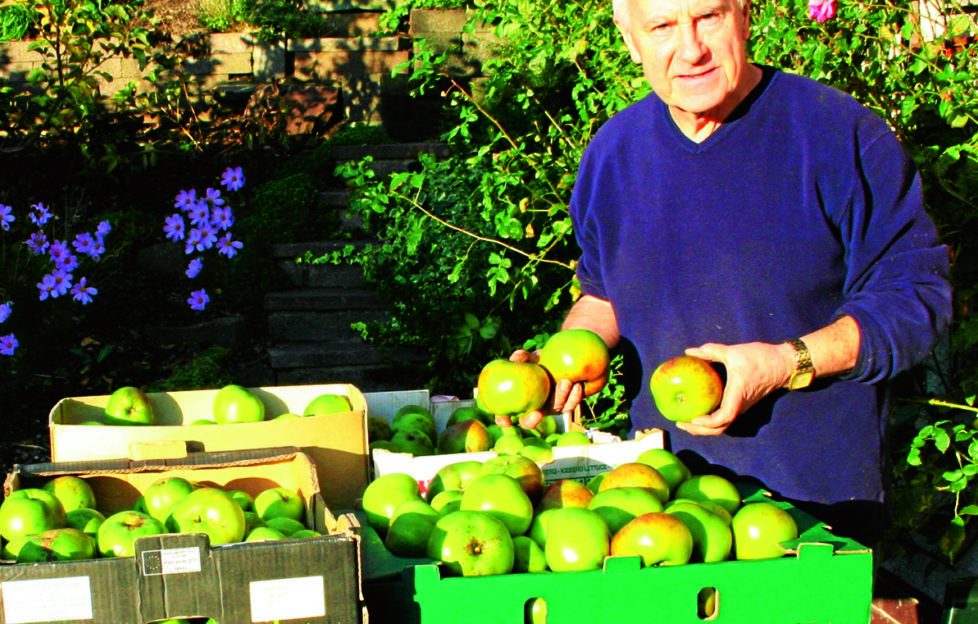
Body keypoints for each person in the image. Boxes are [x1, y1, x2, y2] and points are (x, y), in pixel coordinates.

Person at [504, 0, 952, 547]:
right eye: (663, 26)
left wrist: (786, 362)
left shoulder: (837, 134)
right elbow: (605, 292)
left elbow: (915, 300)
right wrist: (566, 361)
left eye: (708, 17)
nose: (690, 50)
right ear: (629, 36)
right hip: (659, 505)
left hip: (815, 514)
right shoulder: (613, 154)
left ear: (744, 14)